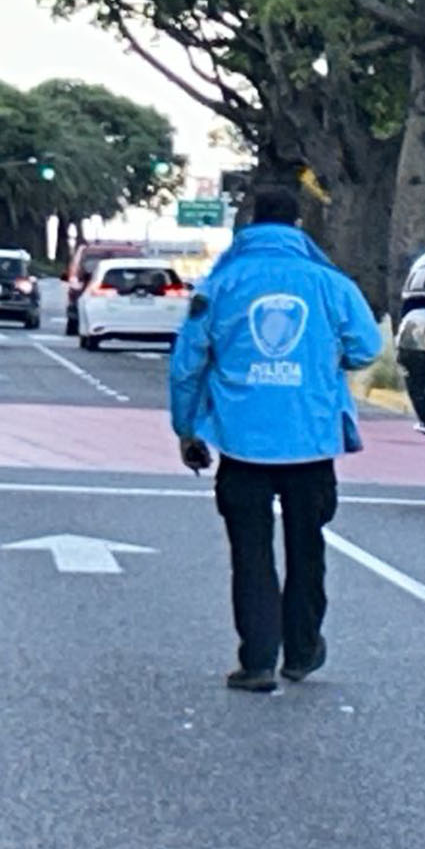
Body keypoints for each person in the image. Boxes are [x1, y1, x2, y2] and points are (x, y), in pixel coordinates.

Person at [169, 182, 383, 693]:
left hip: (241, 443)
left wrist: (187, 429)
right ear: (297, 226)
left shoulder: (220, 285)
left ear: (249, 222)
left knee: (251, 552)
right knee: (308, 546)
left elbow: (187, 366)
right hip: (310, 441)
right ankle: (303, 651)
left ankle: (258, 660)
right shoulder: (329, 283)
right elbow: (366, 346)